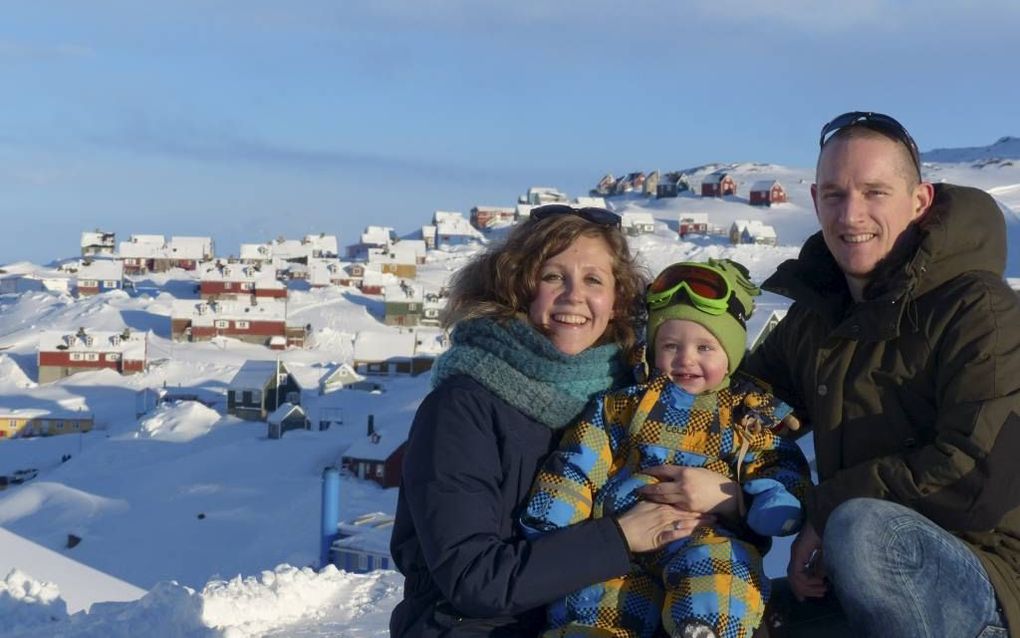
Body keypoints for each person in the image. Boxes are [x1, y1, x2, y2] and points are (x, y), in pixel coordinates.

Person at [740, 111, 1020, 637]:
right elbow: (748, 406)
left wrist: (826, 509)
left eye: (874, 192)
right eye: (834, 194)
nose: (851, 216)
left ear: (920, 201)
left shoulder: (978, 311)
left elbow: (974, 474)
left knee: (863, 528)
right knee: (734, 618)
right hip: (853, 581)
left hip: (988, 585)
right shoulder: (818, 316)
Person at [389, 205, 715, 637]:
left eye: (593, 280)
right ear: (517, 288)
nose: (573, 296)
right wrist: (620, 537)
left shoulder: (631, 399)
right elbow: (474, 578)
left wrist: (729, 498)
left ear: (617, 302)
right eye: (553, 276)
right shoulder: (462, 407)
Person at [522, 258, 811, 638]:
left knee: (724, 567)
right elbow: (581, 459)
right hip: (621, 538)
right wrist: (556, 511)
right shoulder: (622, 405)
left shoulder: (746, 414)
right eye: (671, 345)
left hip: (704, 534)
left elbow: (777, 461)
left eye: (705, 347)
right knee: (603, 592)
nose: (686, 358)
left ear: (731, 356)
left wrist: (773, 497)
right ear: (653, 349)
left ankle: (707, 628)